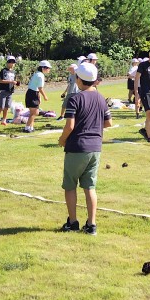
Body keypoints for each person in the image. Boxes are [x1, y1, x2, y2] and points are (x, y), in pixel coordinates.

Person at [57, 61, 111, 235]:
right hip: (95, 148)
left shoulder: (75, 98)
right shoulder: (101, 98)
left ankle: (73, 222)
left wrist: (62, 140)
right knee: (90, 187)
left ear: (79, 79)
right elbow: (108, 123)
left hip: (77, 147)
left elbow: (69, 126)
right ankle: (91, 225)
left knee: (70, 186)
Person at [23, 60, 51, 133]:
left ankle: (31, 127)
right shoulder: (40, 75)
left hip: (31, 93)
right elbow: (40, 88)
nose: (49, 69)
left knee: (34, 112)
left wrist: (39, 97)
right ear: (43, 68)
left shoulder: (37, 74)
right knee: (34, 112)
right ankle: (27, 128)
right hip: (33, 94)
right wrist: (45, 96)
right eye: (47, 68)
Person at [0, 57, 20, 126]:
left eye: (13, 62)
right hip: (3, 90)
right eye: (10, 62)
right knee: (1, 107)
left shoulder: (14, 72)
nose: (12, 64)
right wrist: (10, 81)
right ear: (7, 63)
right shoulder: (3, 71)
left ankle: (4, 120)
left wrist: (16, 83)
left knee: (7, 107)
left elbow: (14, 81)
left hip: (10, 91)